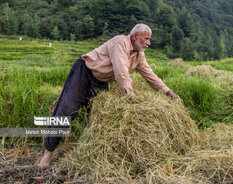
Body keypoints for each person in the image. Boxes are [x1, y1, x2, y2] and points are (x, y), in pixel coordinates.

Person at [38, 23, 180, 168]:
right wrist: (130, 96)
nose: (148, 43)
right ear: (135, 36)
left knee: (99, 117)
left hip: (101, 81)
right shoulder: (120, 42)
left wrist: (168, 92)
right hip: (84, 72)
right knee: (66, 110)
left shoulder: (139, 56)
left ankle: (88, 154)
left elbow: (150, 75)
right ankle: (47, 154)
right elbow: (121, 70)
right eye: (146, 38)